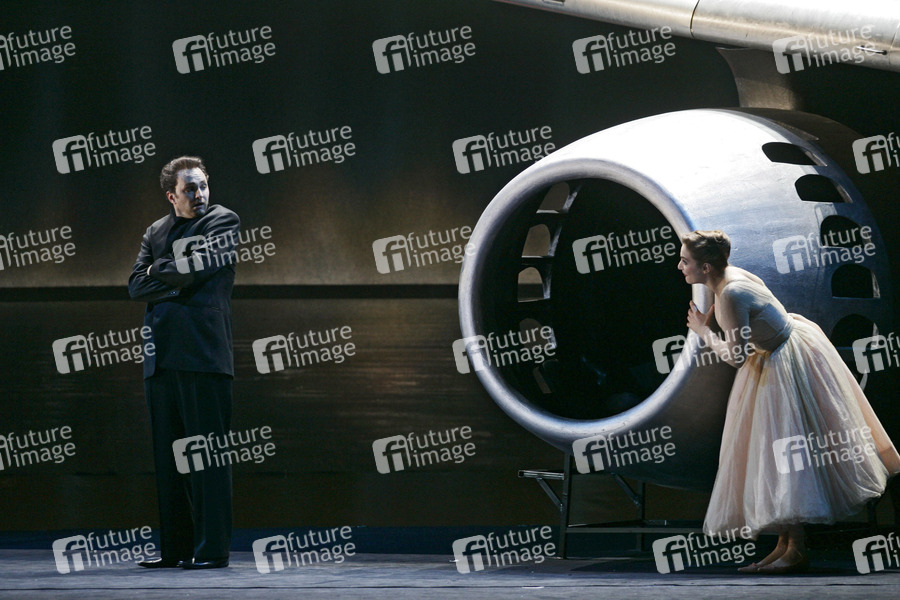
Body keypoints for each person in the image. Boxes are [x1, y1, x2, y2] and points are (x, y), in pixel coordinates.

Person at [679, 230, 900, 574]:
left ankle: (796, 549)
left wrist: (703, 332)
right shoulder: (727, 277)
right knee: (769, 456)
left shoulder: (732, 292)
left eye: (685, 261)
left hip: (782, 362)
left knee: (782, 455)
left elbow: (736, 357)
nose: (680, 267)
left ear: (706, 267)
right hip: (775, 355)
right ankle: (785, 545)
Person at [128, 156, 240, 569]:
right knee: (169, 461)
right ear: (171, 195)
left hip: (203, 356)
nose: (199, 194)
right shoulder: (155, 231)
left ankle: (212, 550)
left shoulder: (222, 221)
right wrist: (174, 279)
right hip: (160, 360)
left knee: (207, 461)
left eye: (202, 185)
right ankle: (175, 549)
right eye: (189, 189)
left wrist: (160, 270)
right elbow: (135, 286)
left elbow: (198, 266)